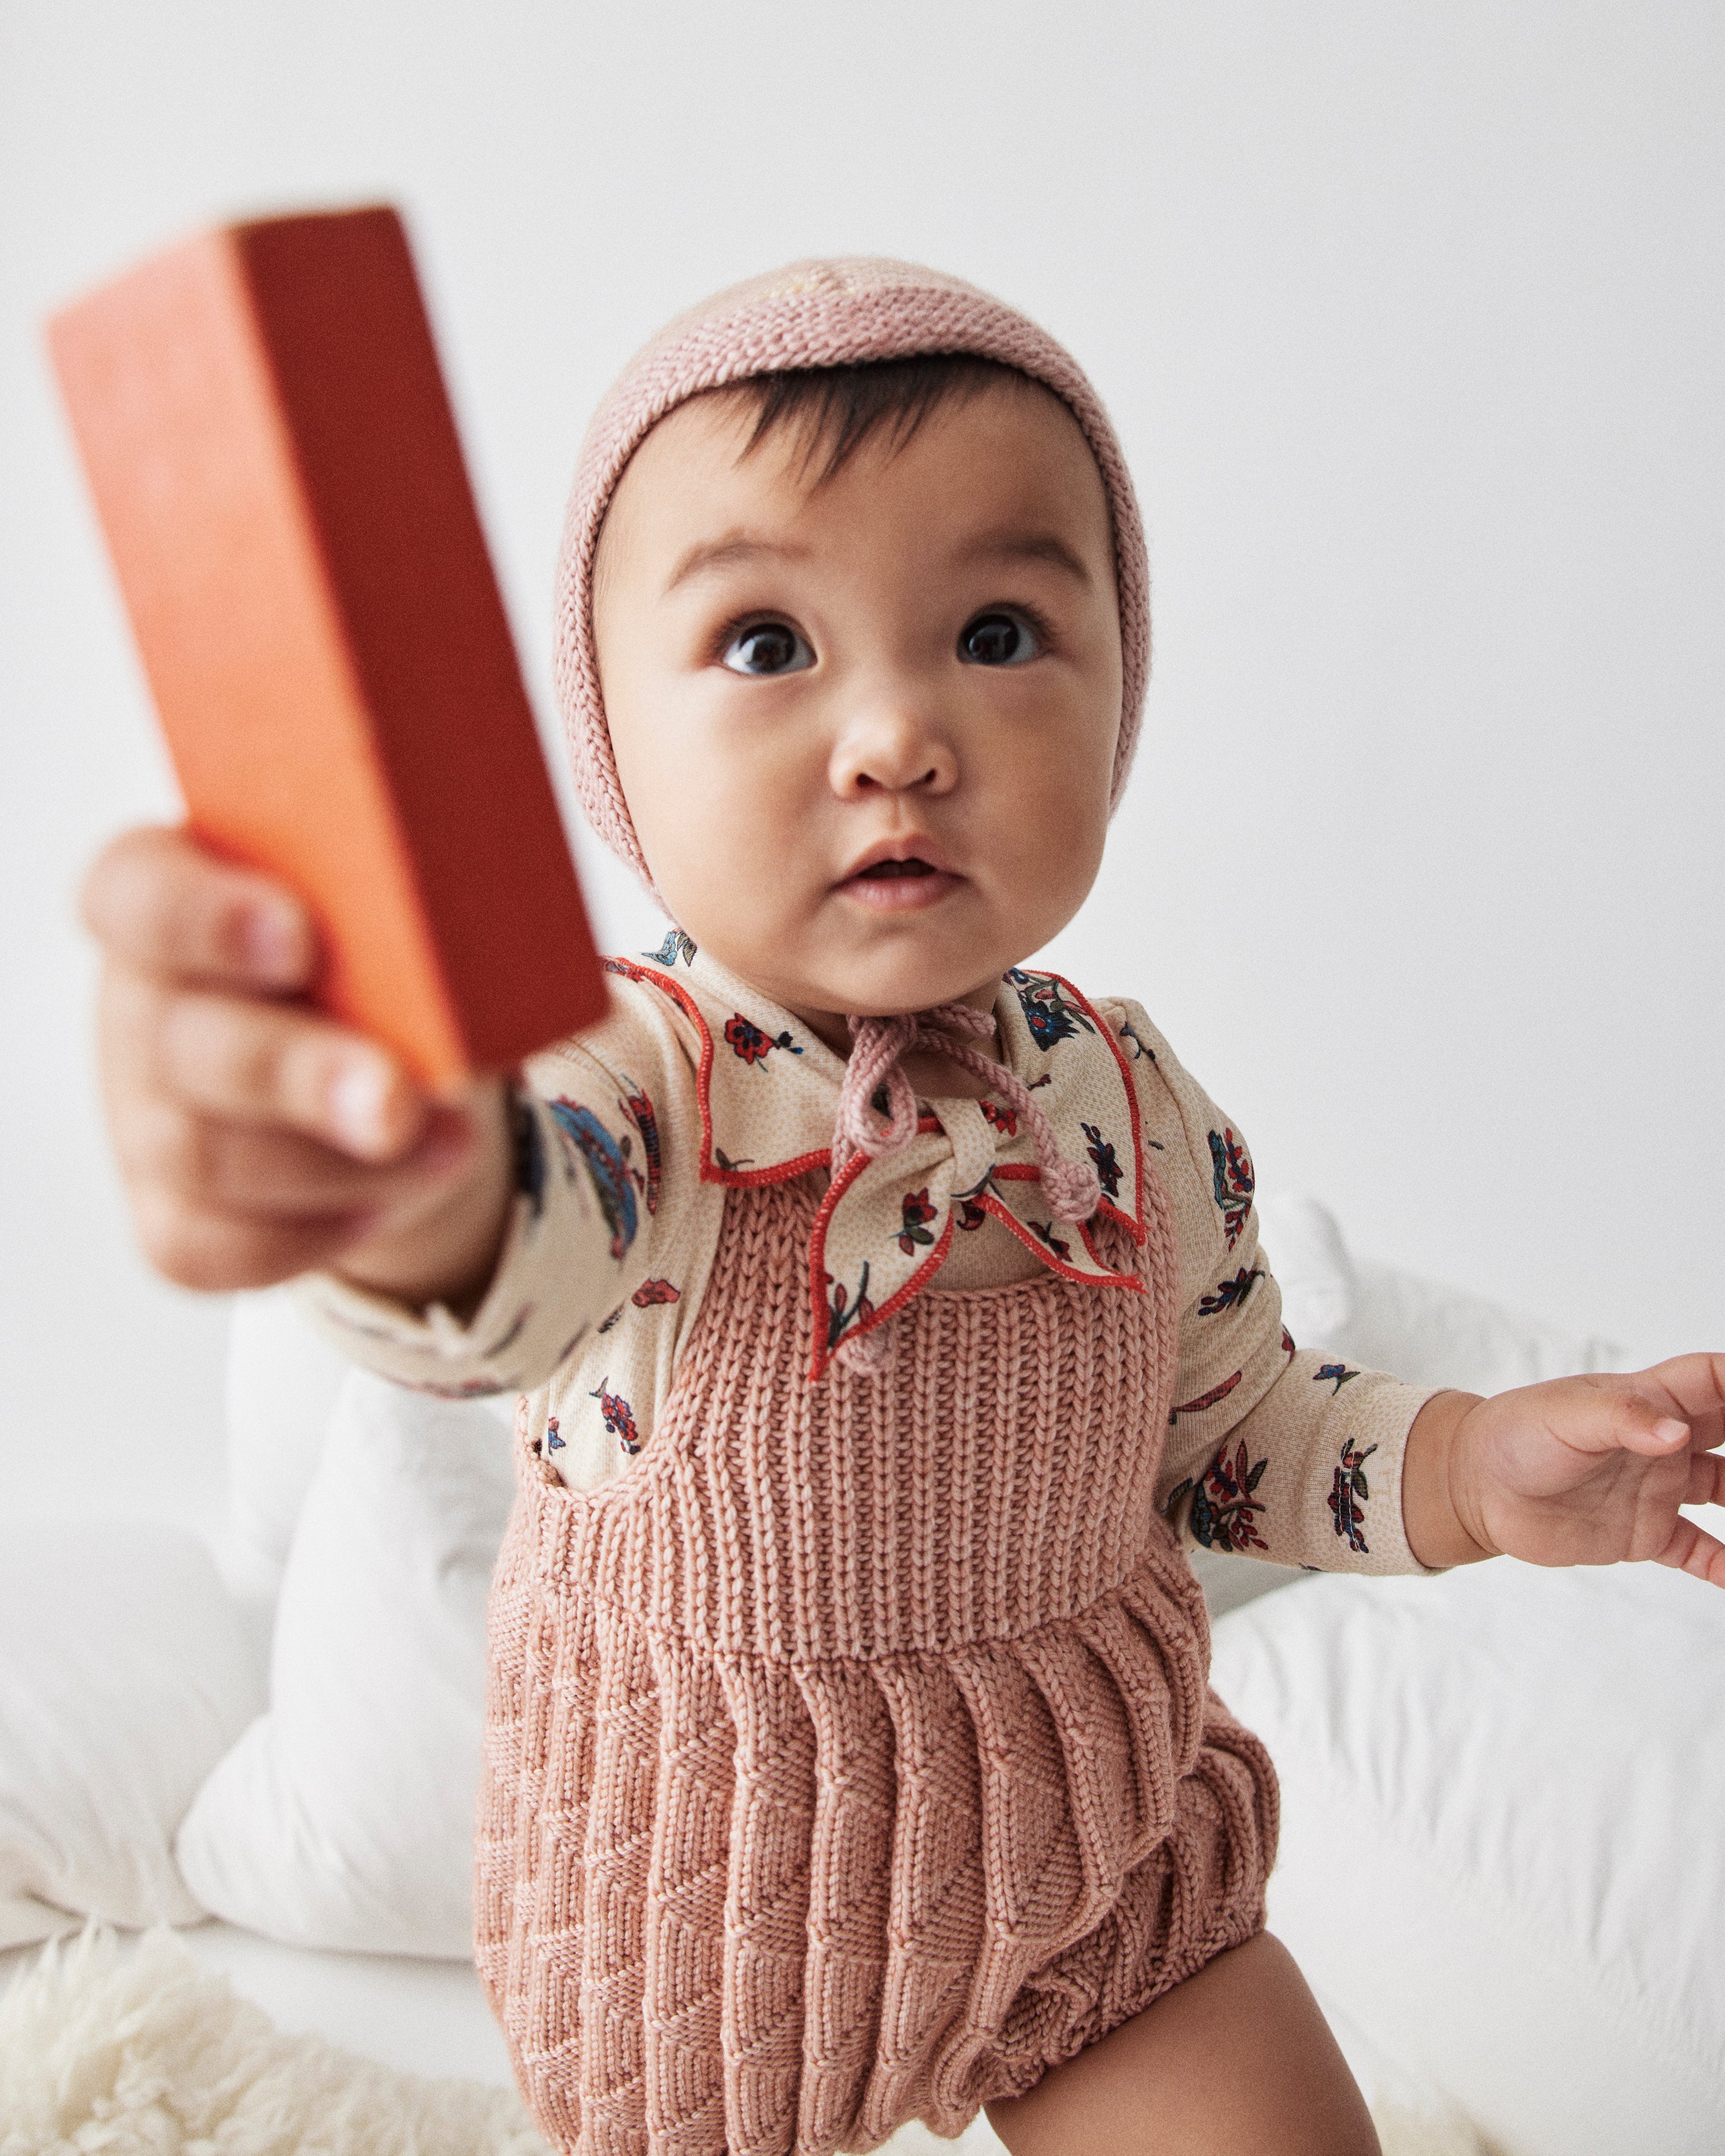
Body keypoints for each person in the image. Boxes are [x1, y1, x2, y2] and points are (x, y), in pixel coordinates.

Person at [81, 259, 1724, 2156]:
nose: (895, 735)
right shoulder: (638, 1077)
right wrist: (390, 1190)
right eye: (770, 646)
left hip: (1097, 1858)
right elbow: (513, 1245)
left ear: (1121, 696)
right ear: (612, 744)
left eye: (1001, 630)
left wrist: (1467, 1466)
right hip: (704, 1925)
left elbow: (1241, 1430)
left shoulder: (1117, 1097)